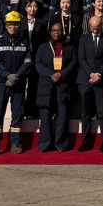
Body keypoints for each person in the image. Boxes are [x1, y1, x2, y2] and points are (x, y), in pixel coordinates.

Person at [0, 11, 32, 155]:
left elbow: (28, 62)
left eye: (15, 24)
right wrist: (8, 76)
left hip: (18, 83)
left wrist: (16, 76)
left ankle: (15, 142)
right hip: (2, 83)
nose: (13, 27)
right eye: (10, 24)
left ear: (19, 25)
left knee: (17, 114)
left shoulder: (25, 42)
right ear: (6, 25)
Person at [35, 21, 77, 152]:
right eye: (54, 30)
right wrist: (51, 74)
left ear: (62, 32)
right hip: (46, 86)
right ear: (50, 32)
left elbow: (74, 62)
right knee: (45, 117)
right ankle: (44, 144)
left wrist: (61, 74)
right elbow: (38, 64)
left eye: (59, 30)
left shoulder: (69, 47)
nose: (56, 33)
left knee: (62, 116)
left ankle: (61, 144)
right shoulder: (42, 47)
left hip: (62, 85)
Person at [77, 15, 103, 152]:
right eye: (92, 27)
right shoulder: (83, 38)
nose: (94, 30)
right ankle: (85, 142)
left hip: (101, 81)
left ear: (101, 26)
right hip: (85, 81)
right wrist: (91, 74)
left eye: (97, 27)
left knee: (102, 113)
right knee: (85, 113)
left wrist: (98, 74)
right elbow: (81, 58)